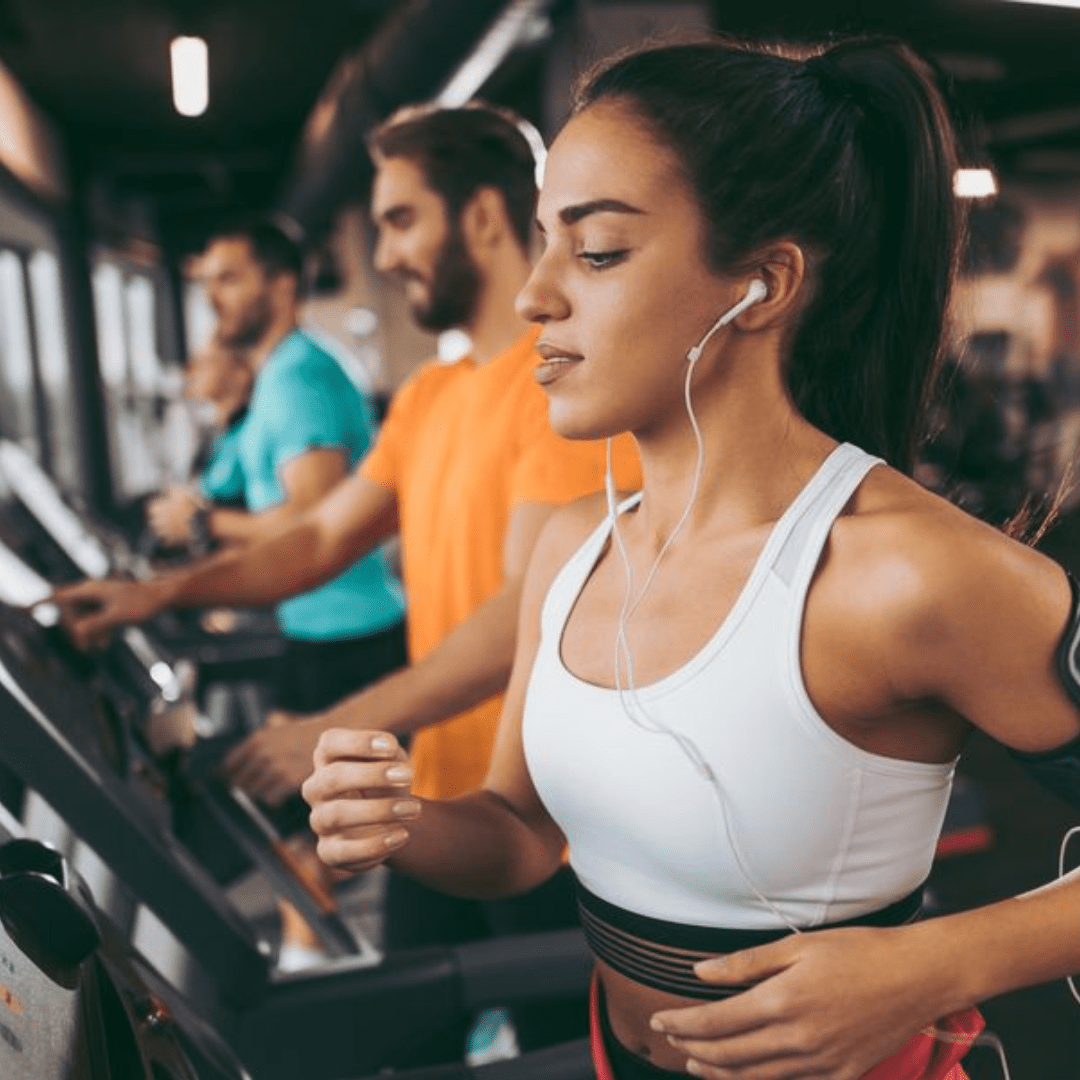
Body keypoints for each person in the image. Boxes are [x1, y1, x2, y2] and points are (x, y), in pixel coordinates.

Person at [301, 36, 1080, 1080]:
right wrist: (400, 822)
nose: (535, 295)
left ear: (761, 285)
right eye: (542, 242)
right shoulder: (574, 548)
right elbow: (519, 833)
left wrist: (930, 967)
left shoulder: (902, 574)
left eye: (599, 251)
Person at [55, 104, 640, 1052]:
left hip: (547, 823)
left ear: (485, 216)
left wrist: (337, 722)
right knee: (402, 1045)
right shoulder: (430, 395)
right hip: (436, 805)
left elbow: (526, 613)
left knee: (561, 1057)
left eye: (402, 220)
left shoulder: (558, 390)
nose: (388, 251)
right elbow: (319, 537)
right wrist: (157, 594)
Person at [147, 332, 254, 551]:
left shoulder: (249, 434)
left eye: (206, 363)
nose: (190, 371)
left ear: (241, 373)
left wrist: (196, 518)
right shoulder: (217, 435)